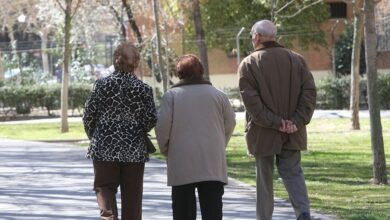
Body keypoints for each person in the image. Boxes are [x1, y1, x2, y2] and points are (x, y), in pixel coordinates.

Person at [238, 20, 317, 220]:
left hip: (263, 131)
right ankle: (303, 213)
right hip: (293, 131)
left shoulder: (248, 64)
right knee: (293, 173)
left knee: (264, 180)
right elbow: (309, 93)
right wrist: (295, 121)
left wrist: (276, 122)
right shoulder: (297, 60)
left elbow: (252, 104)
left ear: (256, 37)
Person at [155, 54, 236, 220]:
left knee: (183, 211)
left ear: (179, 73)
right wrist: (221, 143)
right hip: (212, 160)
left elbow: (162, 126)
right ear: (201, 71)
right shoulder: (218, 95)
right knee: (213, 210)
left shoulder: (171, 96)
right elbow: (230, 123)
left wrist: (166, 148)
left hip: (181, 159)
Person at [83, 42, 157, 220]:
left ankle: (109, 218)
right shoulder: (143, 89)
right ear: (136, 62)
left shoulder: (101, 85)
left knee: (105, 188)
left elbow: (88, 115)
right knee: (132, 196)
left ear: (115, 60)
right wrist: (136, 130)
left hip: (104, 148)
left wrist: (95, 135)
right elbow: (150, 119)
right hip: (133, 150)